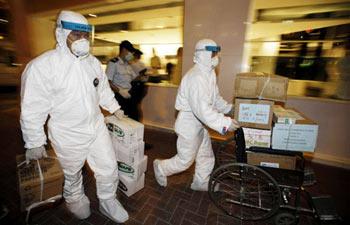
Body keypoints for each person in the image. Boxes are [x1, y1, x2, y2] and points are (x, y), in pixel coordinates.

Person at [20, 10, 129, 223]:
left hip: (96, 126)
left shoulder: (93, 63)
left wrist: (114, 108)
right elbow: (32, 107)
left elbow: (103, 89)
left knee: (108, 166)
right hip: (67, 132)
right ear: (61, 34)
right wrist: (34, 141)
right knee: (72, 172)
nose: (82, 40)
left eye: (85, 35)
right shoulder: (42, 67)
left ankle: (108, 200)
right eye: (76, 35)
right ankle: (75, 198)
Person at [153, 39, 239, 191]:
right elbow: (202, 110)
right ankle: (161, 167)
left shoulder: (209, 73)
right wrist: (224, 123)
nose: (216, 57)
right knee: (185, 161)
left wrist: (228, 109)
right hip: (189, 124)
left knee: (205, 154)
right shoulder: (196, 77)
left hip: (200, 123)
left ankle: (200, 182)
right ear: (204, 55)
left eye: (216, 53)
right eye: (213, 53)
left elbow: (214, 98)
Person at [106, 40, 139, 119]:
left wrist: (142, 77)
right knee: (122, 121)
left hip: (129, 95)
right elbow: (107, 81)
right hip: (119, 96)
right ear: (124, 50)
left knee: (134, 118)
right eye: (130, 51)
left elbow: (133, 79)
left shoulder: (127, 65)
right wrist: (120, 91)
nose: (131, 54)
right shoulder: (113, 63)